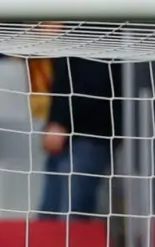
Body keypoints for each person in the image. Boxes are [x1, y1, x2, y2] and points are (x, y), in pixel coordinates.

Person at [39, 56, 120, 219]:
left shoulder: (91, 36)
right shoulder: (68, 45)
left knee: (70, 215)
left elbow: (92, 84)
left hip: (89, 135)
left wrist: (60, 122)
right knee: (52, 213)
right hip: (72, 137)